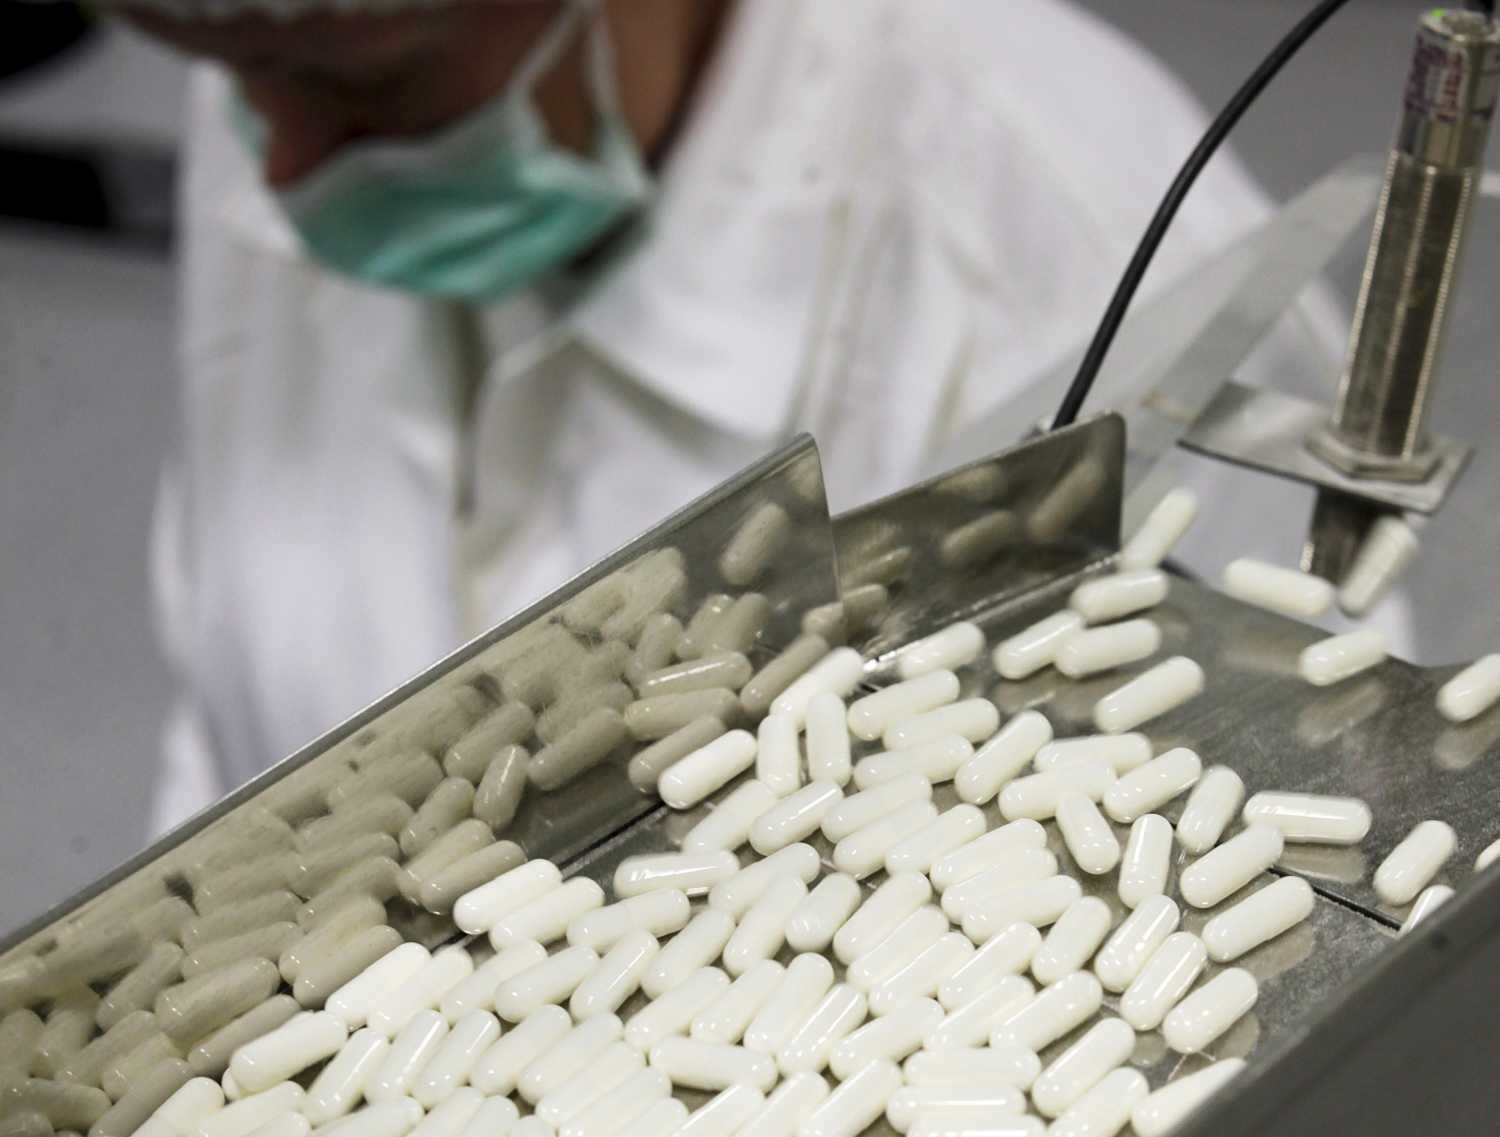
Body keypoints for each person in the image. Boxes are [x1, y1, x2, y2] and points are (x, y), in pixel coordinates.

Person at [112, 0, 1341, 831]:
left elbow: (1240, 865)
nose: (282, 168)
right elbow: (234, 723)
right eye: (224, 72)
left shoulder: (1092, 272)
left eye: (365, 85)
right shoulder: (287, 54)